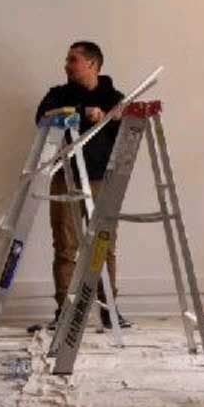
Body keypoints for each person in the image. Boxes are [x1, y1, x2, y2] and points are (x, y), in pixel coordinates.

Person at [34, 41, 131, 330]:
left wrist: (117, 119)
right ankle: (64, 311)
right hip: (66, 177)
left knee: (104, 244)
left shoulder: (115, 98)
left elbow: (125, 141)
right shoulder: (57, 95)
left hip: (101, 179)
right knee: (65, 246)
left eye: (73, 59)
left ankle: (109, 310)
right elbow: (41, 120)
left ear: (92, 64)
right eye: (67, 59)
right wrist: (81, 111)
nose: (66, 65)